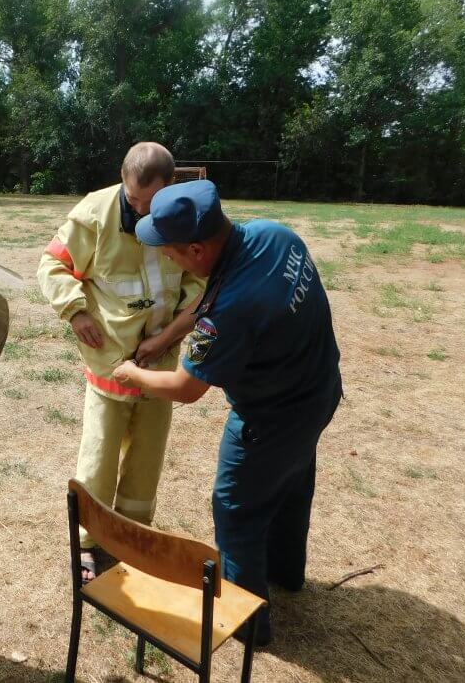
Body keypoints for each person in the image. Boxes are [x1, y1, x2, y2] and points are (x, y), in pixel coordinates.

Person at [112, 179, 343, 645]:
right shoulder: (274, 235)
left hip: (269, 417)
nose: (168, 259)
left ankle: (247, 623)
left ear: (196, 249)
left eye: (171, 252)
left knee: (236, 509)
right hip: (318, 391)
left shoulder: (231, 310)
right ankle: (284, 573)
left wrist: (132, 374)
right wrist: (164, 340)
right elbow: (214, 300)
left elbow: (186, 387)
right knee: (292, 481)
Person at [37, 142, 205, 582]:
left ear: (171, 186)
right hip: (109, 362)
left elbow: (199, 285)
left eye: (150, 203)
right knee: (99, 456)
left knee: (147, 457)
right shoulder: (94, 213)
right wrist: (75, 312)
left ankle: (133, 538)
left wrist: (166, 338)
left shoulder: (182, 217)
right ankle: (88, 542)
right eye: (132, 200)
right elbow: (51, 266)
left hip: (160, 363)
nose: (140, 210)